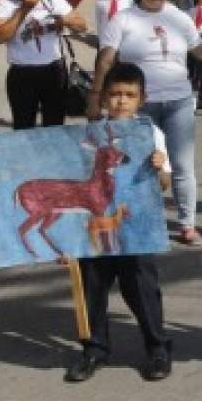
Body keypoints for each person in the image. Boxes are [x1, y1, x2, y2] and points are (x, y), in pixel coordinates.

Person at [91, 0, 202, 246]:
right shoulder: (123, 20)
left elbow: (201, 52)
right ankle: (140, 219)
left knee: (182, 165)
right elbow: (106, 59)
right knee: (140, 167)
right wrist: (96, 97)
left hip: (179, 102)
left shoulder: (179, 18)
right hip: (139, 107)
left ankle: (187, 224)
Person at [65, 62, 173, 384]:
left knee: (142, 288)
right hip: (95, 227)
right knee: (92, 286)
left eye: (129, 95)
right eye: (114, 94)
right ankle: (94, 349)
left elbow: (165, 184)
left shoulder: (150, 133)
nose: (121, 101)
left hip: (135, 229)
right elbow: (75, 184)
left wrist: (160, 168)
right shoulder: (88, 136)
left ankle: (156, 348)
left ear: (142, 99)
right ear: (103, 98)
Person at [0, 0, 88, 130]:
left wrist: (63, 20)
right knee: (23, 127)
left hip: (54, 72)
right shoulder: (4, 4)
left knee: (55, 126)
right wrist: (24, 9)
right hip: (22, 74)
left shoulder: (53, 0)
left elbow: (82, 26)